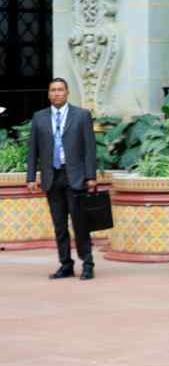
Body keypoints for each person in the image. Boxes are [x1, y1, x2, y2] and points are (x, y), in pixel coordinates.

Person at [26, 78, 98, 280]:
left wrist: (91, 176)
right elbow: (33, 150)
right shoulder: (39, 117)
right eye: (53, 90)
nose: (57, 93)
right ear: (49, 94)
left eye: (60, 90)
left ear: (67, 93)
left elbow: (89, 149)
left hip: (75, 176)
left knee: (80, 223)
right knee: (59, 225)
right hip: (52, 177)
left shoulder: (81, 115)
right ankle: (66, 264)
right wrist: (31, 177)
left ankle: (87, 263)